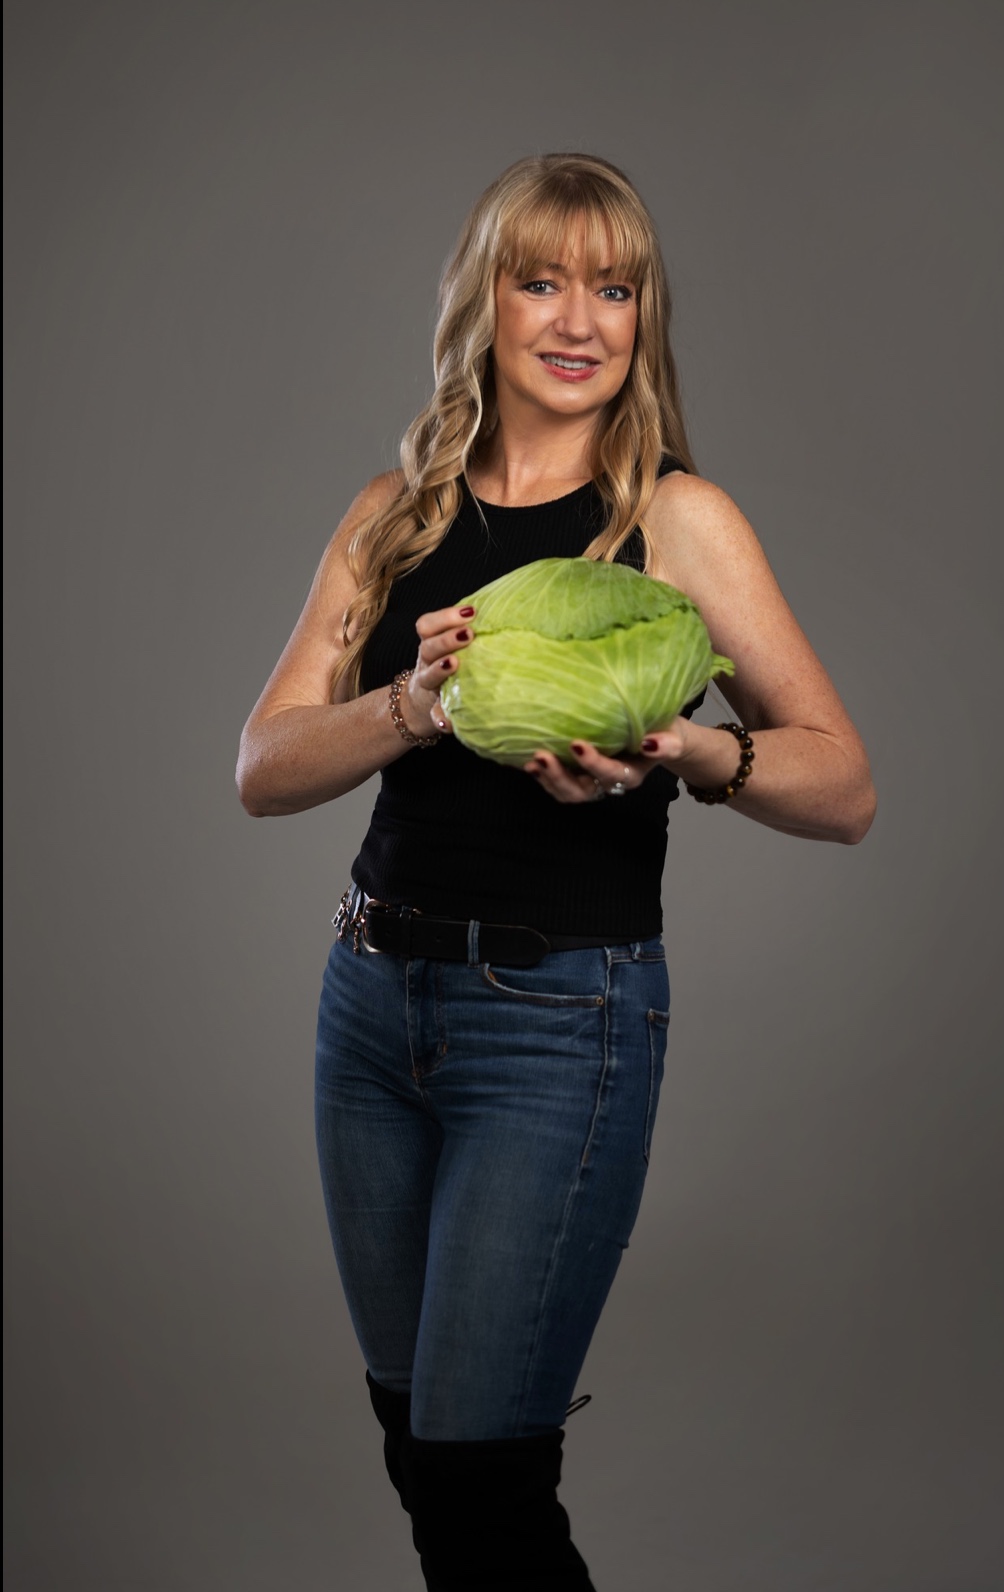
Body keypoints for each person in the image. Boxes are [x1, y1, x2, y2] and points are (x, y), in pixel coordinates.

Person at [236, 152, 875, 1590]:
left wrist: (689, 753)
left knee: (483, 1482)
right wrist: (413, 705)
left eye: (615, 288)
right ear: (487, 301)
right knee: (419, 1449)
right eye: (542, 281)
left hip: (556, 1025)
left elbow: (845, 785)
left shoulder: (678, 521)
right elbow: (262, 766)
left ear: (645, 318)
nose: (580, 320)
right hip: (369, 1013)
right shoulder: (392, 515)